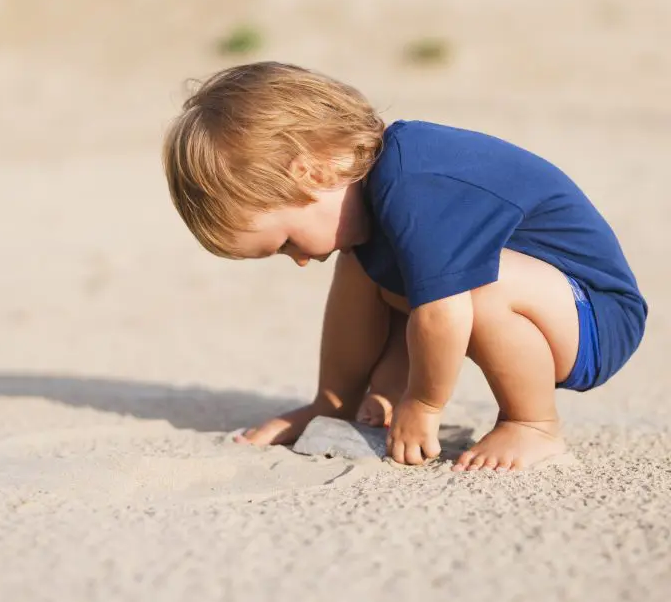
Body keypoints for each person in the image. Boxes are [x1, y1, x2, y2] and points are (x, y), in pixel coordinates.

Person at [160, 61, 647, 471]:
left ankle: (533, 423)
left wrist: (424, 402)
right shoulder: (373, 208)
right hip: (537, 300)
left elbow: (443, 312)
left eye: (287, 241)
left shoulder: (413, 182)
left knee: (475, 284)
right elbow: (406, 300)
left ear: (313, 171)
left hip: (594, 316)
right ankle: (335, 403)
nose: (303, 260)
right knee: (361, 265)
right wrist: (379, 394)